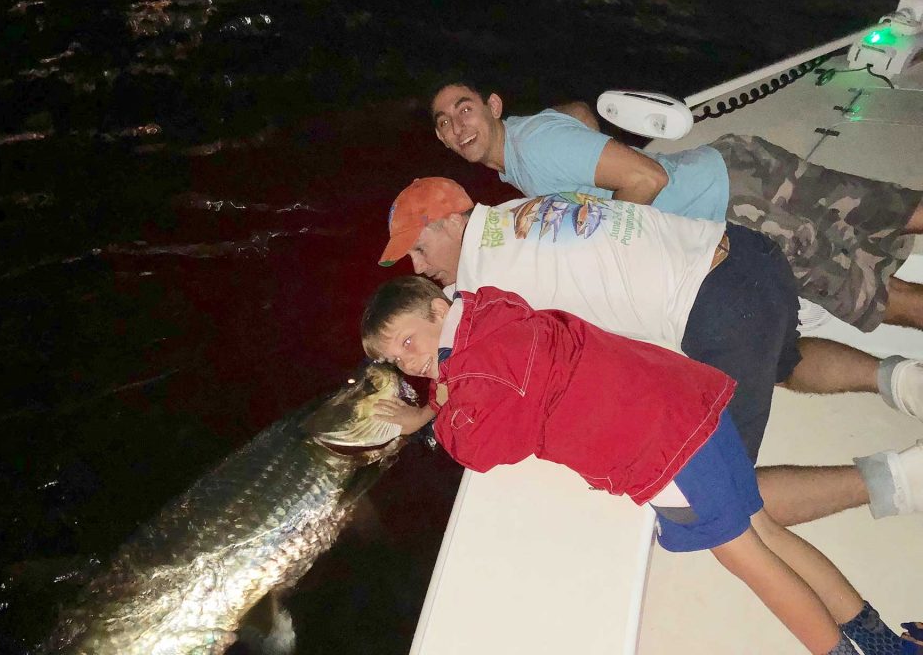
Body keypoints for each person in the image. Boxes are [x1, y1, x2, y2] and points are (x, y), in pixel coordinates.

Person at [361, 275, 921, 655]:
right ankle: (882, 641)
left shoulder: (480, 371)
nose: (408, 363)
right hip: (690, 401)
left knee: (749, 560)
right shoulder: (491, 309)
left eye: (408, 343)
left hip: (662, 451)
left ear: (440, 312)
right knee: (766, 531)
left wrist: (432, 415)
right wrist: (436, 396)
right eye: (394, 359)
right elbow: (479, 380)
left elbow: (477, 446)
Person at [376, 176, 923, 526]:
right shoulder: (519, 210)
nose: (419, 267)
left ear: (453, 219)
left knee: (707, 502)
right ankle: (905, 381)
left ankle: (903, 479)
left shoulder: (487, 281)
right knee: (784, 359)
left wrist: (425, 417)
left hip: (718, 308)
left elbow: (474, 377)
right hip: (746, 255)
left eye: (420, 248)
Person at [429, 81, 923, 334]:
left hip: (736, 207)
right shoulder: (522, 145)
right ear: (442, 139)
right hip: (732, 167)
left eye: (465, 109)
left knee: (867, 294)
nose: (457, 125)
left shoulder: (534, 149)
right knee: (885, 209)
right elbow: (578, 113)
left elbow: (648, 178)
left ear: (493, 106)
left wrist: (598, 247)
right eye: (444, 122)